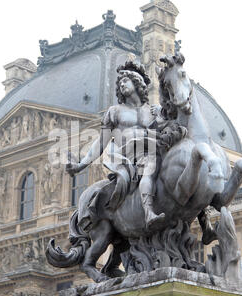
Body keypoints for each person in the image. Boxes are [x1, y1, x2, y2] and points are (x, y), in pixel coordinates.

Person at [66, 61, 168, 229]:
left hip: (153, 150)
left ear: (137, 82)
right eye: (119, 83)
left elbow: (167, 131)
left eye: (125, 81)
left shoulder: (153, 110)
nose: (122, 84)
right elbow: (101, 142)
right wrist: (80, 165)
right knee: (148, 166)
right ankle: (148, 212)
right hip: (129, 157)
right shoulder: (115, 111)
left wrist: (161, 117)